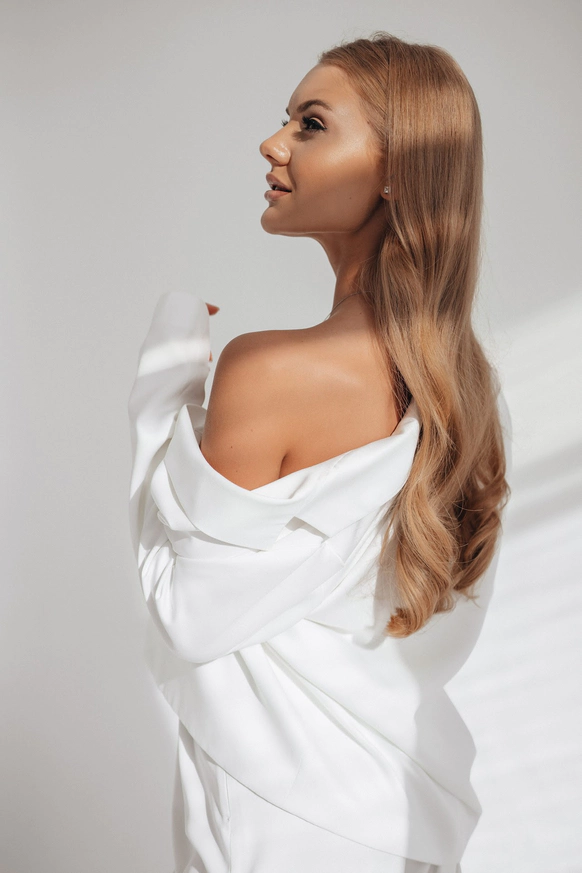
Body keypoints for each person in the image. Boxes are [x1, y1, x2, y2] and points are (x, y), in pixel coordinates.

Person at [127, 31, 512, 873]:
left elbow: (187, 613)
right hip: (403, 818)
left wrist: (164, 382)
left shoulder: (268, 369)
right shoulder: (469, 391)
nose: (272, 144)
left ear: (395, 170)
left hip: (282, 822)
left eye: (310, 124)